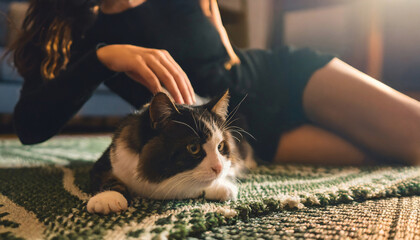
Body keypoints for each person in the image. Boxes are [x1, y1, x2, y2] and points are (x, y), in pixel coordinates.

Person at [10, 0, 420, 165]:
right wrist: (104, 57)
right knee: (399, 155)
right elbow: (29, 128)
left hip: (285, 78)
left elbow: (226, 57)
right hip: (245, 141)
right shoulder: (74, 25)